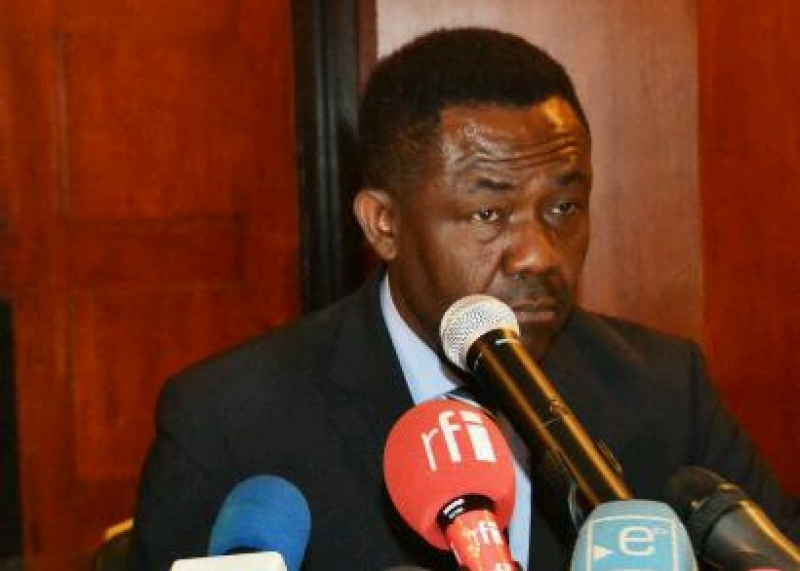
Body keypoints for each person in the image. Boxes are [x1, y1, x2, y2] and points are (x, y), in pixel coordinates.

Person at [129, 28, 799, 570]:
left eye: (564, 207)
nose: (539, 253)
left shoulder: (662, 390)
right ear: (384, 224)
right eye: (488, 214)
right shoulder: (231, 420)